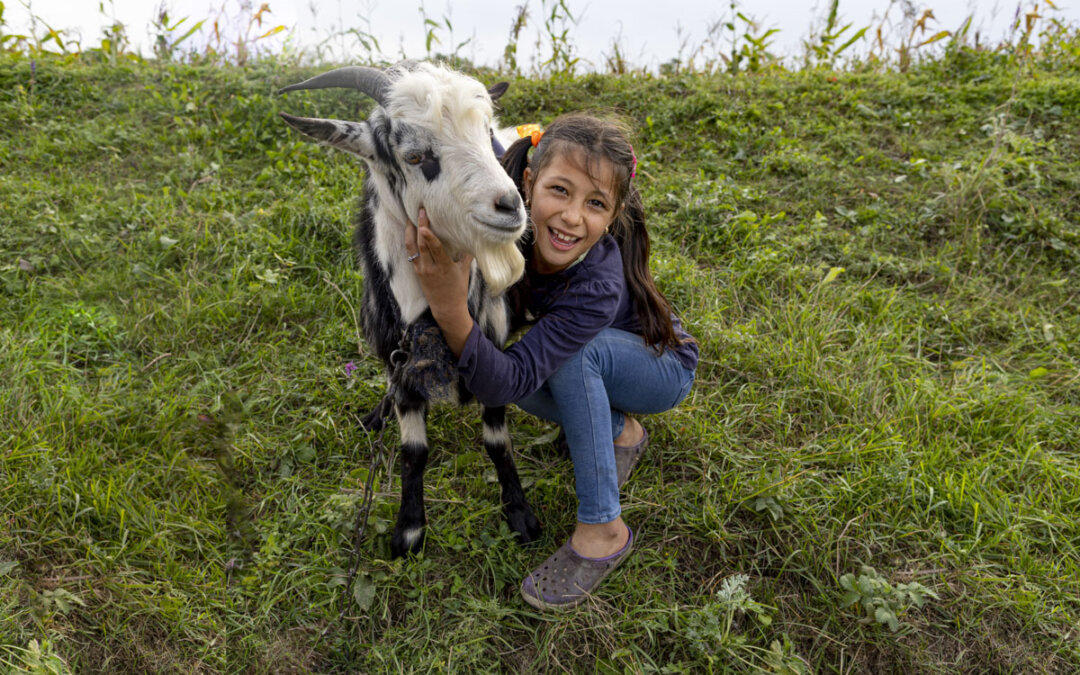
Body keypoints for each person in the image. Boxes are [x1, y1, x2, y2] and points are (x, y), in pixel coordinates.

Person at [404, 113, 698, 610]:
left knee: (562, 361)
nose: (571, 217)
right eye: (559, 191)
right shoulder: (508, 218)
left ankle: (604, 529)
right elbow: (472, 159)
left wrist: (450, 308)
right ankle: (620, 432)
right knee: (519, 372)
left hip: (661, 369)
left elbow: (499, 385)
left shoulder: (598, 284)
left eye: (595, 204)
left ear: (613, 216)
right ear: (528, 181)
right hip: (603, 363)